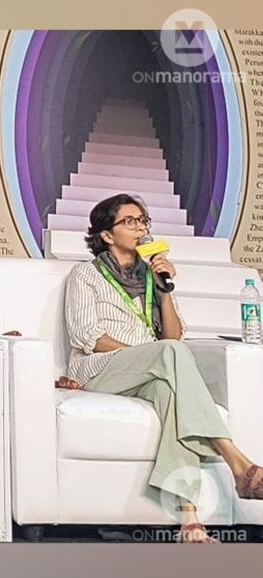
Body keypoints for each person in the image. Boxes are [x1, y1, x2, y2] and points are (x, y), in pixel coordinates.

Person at [64, 193, 262, 544]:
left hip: (150, 371)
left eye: (143, 221)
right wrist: (148, 355)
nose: (140, 227)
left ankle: (190, 520)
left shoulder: (152, 276)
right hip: (98, 369)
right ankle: (236, 461)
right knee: (169, 354)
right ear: (106, 235)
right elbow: (87, 335)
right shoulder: (86, 274)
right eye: (129, 221)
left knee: (171, 394)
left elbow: (174, 336)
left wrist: (164, 290)